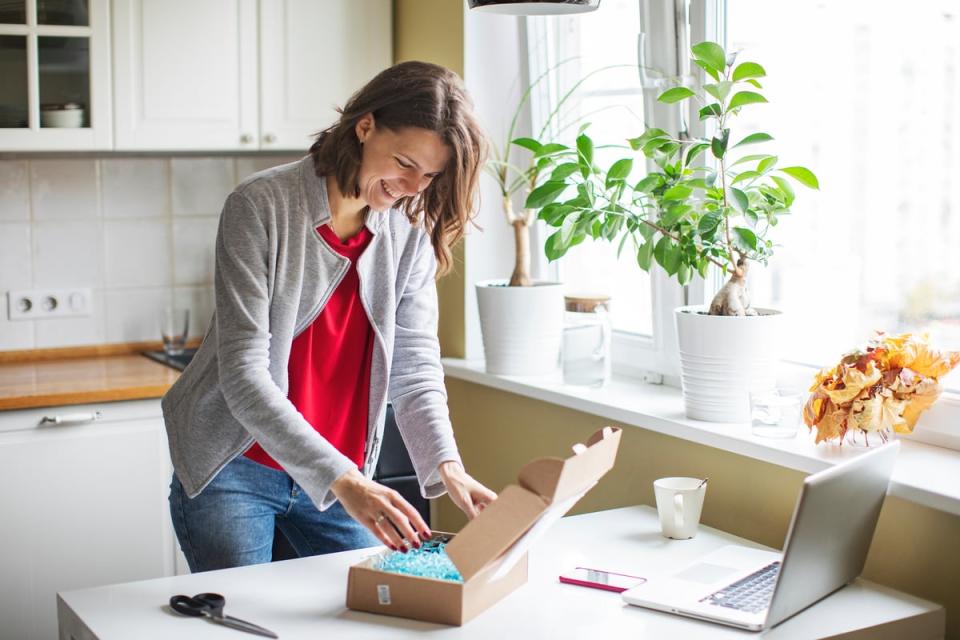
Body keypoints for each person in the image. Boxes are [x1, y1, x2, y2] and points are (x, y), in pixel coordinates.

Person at [162, 61, 496, 572]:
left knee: (360, 615)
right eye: (405, 162)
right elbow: (245, 375)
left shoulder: (409, 229)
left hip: (343, 474)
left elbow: (414, 365)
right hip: (239, 466)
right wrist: (349, 482)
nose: (412, 186)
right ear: (365, 126)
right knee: (244, 620)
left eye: (429, 175)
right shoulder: (260, 206)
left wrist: (447, 466)